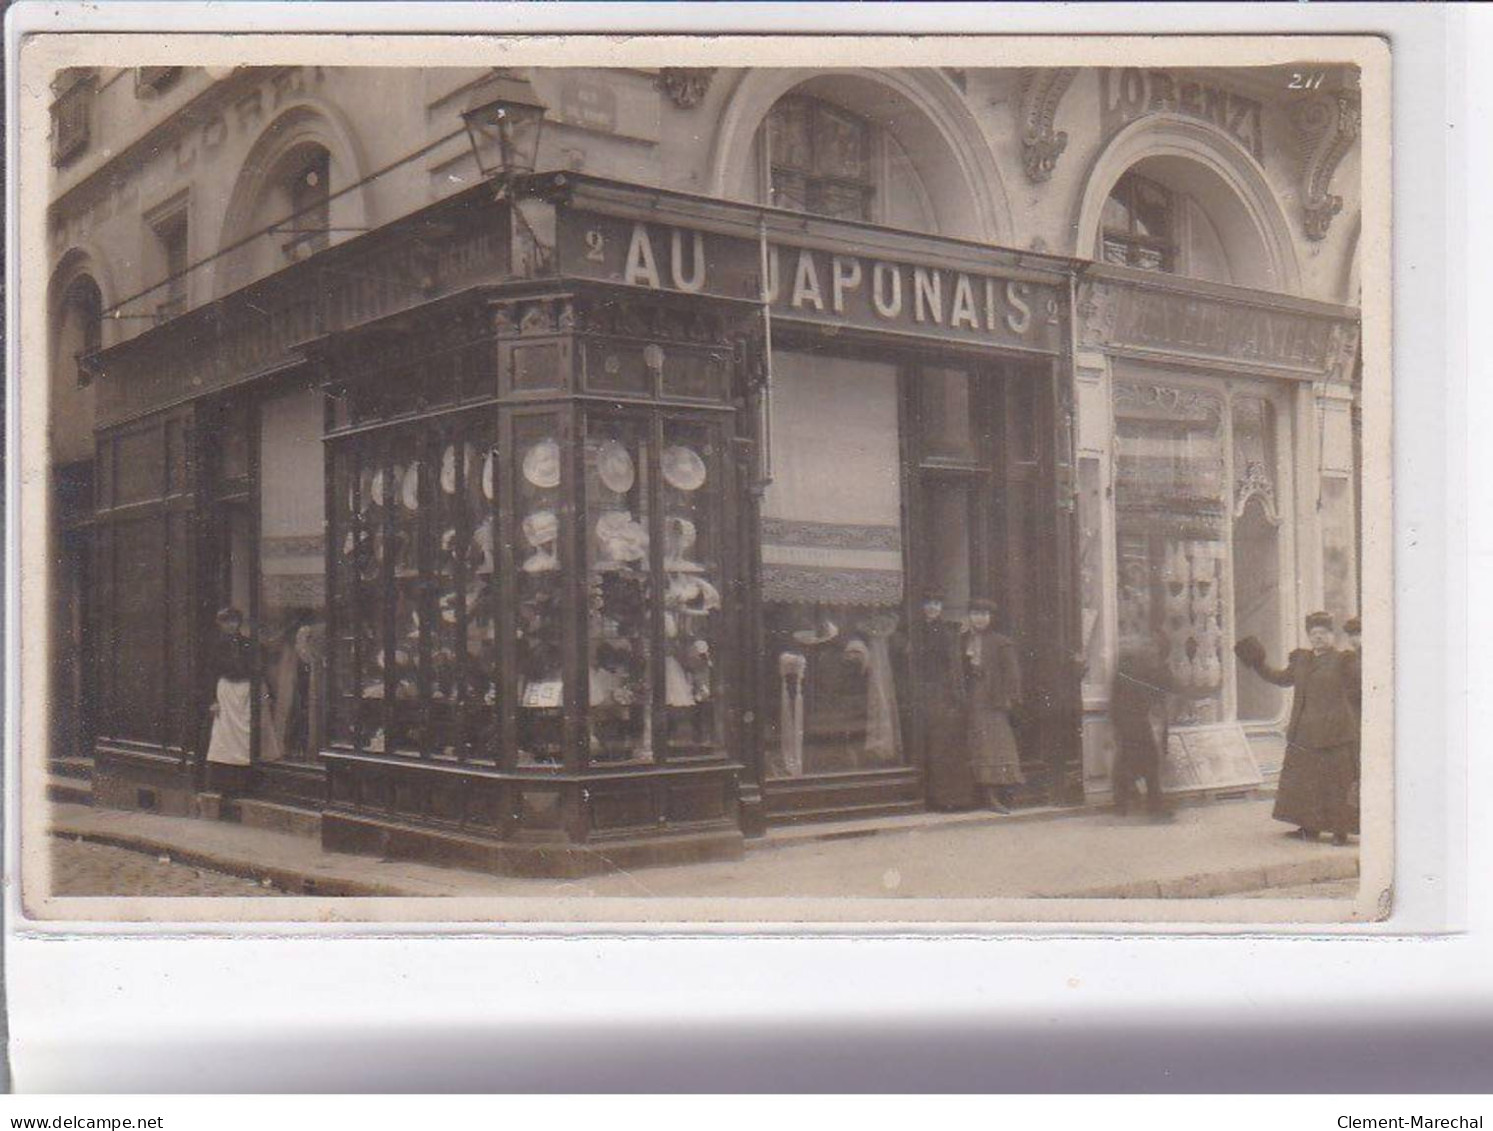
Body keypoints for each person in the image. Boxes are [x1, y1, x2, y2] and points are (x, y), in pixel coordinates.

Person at [1235, 611, 1361, 845]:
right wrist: (1259, 663)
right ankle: (1309, 827)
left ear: (1332, 635)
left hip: (1335, 732)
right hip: (1305, 732)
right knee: (1306, 781)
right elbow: (1280, 678)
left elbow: (1363, 683)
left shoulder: (1344, 661)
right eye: (1313, 634)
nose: (1318, 638)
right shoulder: (1302, 659)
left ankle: (1339, 831)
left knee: (1336, 782)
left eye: (1323, 634)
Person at [961, 597, 1025, 812]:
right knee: (978, 745)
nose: (980, 618)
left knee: (996, 746)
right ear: (969, 616)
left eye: (984, 614)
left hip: (994, 701)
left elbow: (1012, 674)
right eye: (976, 613)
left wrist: (1010, 698)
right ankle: (982, 794)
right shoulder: (963, 640)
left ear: (991, 618)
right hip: (971, 699)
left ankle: (1000, 793)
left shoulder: (1001, 642)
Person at [915, 591, 971, 810]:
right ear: (921, 606)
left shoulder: (947, 631)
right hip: (923, 693)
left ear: (941, 607)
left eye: (937, 603)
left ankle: (947, 799)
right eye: (928, 602)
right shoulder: (916, 630)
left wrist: (954, 694)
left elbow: (953, 666)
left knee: (943, 745)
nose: (932, 607)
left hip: (942, 694)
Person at [1110, 631, 1174, 820]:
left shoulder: (1139, 666)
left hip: (1135, 719)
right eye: (1147, 645)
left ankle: (1126, 804)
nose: (1148, 648)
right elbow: (1122, 695)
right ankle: (1149, 805)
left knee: (1133, 762)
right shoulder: (1134, 666)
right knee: (1144, 761)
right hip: (1133, 719)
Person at [204, 606, 255, 798]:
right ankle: (223, 784)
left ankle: (243, 782)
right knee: (224, 736)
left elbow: (254, 667)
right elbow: (210, 673)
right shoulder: (215, 646)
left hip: (244, 691)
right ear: (220, 624)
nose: (231, 625)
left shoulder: (248, 643)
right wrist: (212, 699)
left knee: (243, 734)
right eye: (227, 621)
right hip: (225, 690)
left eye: (234, 621)